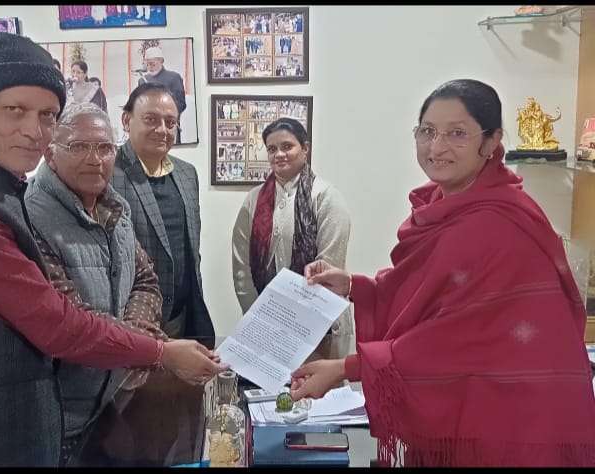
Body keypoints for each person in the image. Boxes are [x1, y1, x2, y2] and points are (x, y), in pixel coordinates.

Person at [0, 32, 226, 467]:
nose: (34, 130)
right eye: (15, 110)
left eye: (47, 114)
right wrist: (159, 351)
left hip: (35, 421)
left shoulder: (4, 184)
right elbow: (55, 322)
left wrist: (139, 341)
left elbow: (144, 277)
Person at [289, 79, 595, 467]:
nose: (436, 147)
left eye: (457, 134)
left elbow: (457, 339)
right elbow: (431, 294)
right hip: (466, 409)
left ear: (492, 141)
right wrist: (354, 286)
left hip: (504, 425)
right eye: (428, 131)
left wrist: (346, 369)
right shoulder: (446, 204)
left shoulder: (498, 223)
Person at [25, 102, 169, 466]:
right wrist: (149, 349)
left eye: (105, 147)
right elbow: (69, 318)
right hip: (58, 417)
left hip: (110, 399)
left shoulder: (114, 209)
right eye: (79, 146)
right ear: (50, 154)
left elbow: (145, 280)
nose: (95, 159)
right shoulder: (30, 218)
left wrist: (135, 336)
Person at [112, 82, 214, 343]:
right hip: (128, 321)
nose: (162, 130)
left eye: (170, 123)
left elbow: (191, 250)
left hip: (180, 318)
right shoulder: (107, 173)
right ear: (127, 121)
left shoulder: (186, 173)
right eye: (151, 120)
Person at [231, 117, 353, 335]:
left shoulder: (326, 197)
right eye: (272, 149)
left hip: (319, 325)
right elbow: (241, 268)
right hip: (264, 324)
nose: (279, 154)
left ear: (305, 149)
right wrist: (258, 317)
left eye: (287, 146)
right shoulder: (254, 200)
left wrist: (296, 326)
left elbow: (327, 269)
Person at [137, 47, 186, 144]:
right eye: (147, 64)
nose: (149, 67)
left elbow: (181, 104)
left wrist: (164, 113)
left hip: (169, 127)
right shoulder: (142, 80)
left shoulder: (174, 78)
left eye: (152, 64)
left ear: (161, 61)